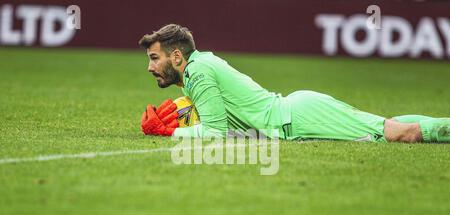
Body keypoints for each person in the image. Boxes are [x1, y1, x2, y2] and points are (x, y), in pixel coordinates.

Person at [139, 24, 449, 143]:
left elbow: (216, 132)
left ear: (176, 56)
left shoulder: (198, 72)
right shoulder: (198, 68)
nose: (150, 66)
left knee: (399, 134)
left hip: (297, 119)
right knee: (388, 126)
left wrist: (174, 132)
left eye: (155, 58)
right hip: (296, 116)